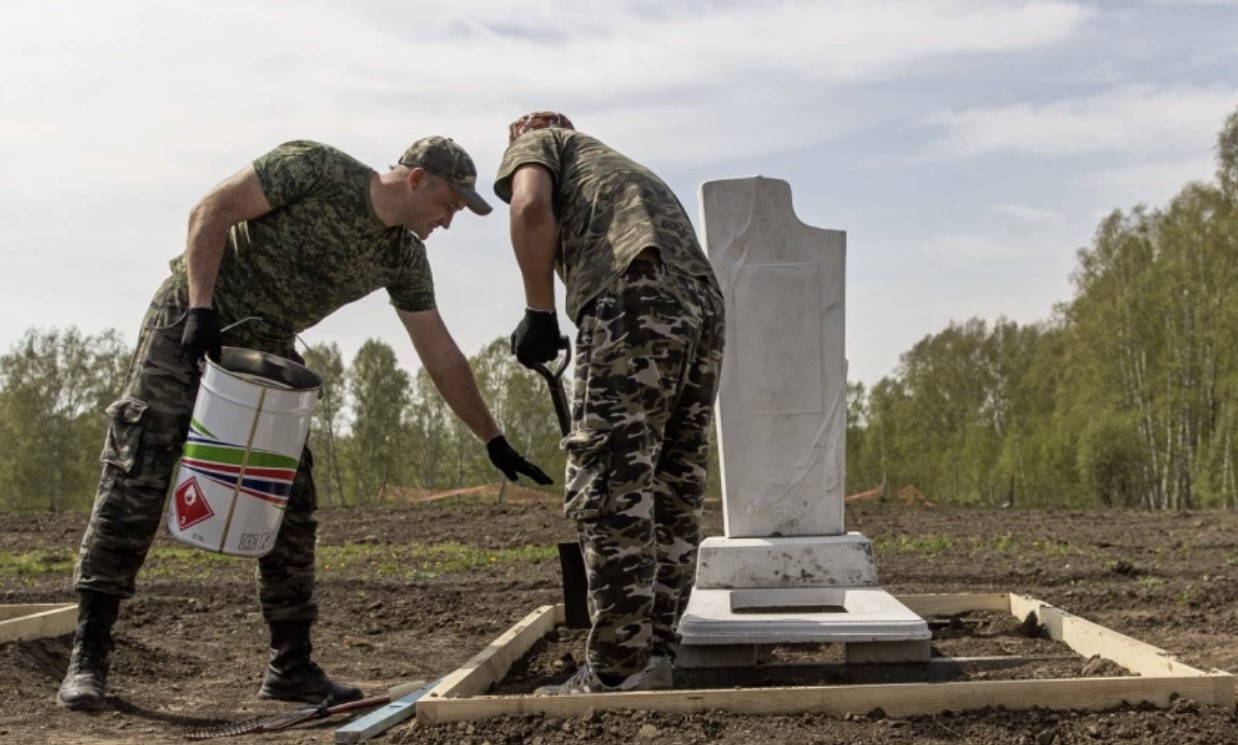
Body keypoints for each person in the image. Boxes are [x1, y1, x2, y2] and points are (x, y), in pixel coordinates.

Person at [57, 136, 553, 711]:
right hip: (192, 323)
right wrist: (200, 308)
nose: (449, 222)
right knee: (139, 467)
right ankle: (88, 658)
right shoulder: (315, 168)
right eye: (449, 205)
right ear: (417, 180)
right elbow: (210, 212)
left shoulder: (403, 257)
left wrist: (492, 438)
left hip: (267, 346)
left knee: (290, 494)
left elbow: (440, 353)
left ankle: (290, 668)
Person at [494, 112, 725, 694]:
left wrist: (539, 312)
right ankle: (654, 657)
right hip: (702, 303)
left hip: (632, 293)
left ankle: (618, 670)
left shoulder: (541, 143)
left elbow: (526, 206)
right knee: (671, 485)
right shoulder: (619, 166)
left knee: (612, 483)